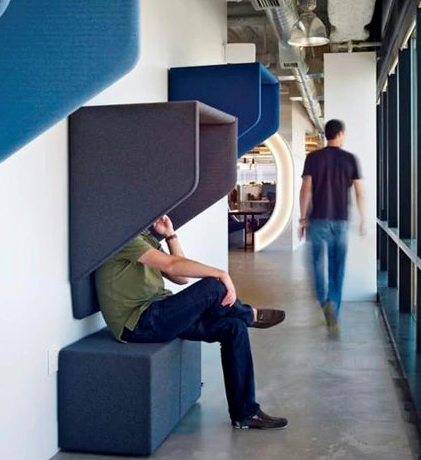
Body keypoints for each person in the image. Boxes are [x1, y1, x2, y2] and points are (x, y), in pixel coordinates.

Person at [96, 214, 289, 430]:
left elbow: (181, 278)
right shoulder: (124, 239)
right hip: (139, 323)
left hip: (159, 312)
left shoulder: (144, 239)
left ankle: (245, 413)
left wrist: (170, 236)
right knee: (214, 286)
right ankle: (249, 314)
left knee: (234, 328)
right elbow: (172, 265)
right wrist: (221, 274)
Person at [298, 119, 365, 329]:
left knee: (317, 264)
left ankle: (324, 302)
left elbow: (305, 189)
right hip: (341, 220)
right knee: (337, 268)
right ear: (341, 134)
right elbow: (359, 192)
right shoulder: (350, 159)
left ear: (326, 134)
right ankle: (334, 306)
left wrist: (302, 218)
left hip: (317, 219)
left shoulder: (313, 158)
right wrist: (363, 218)